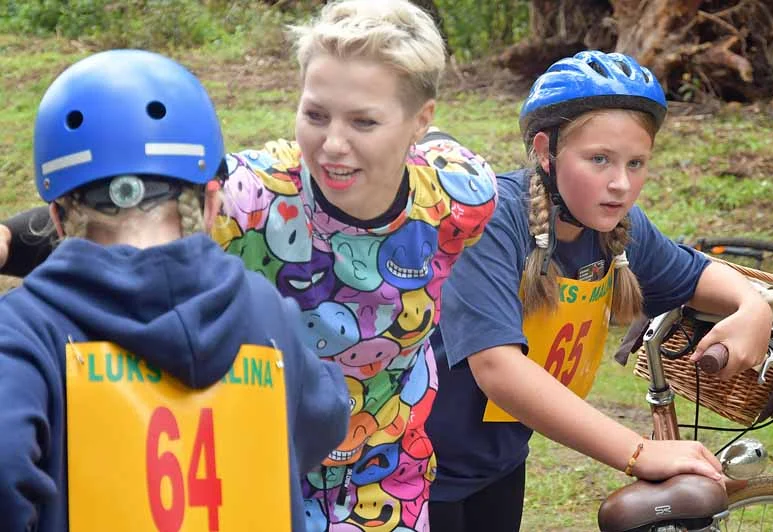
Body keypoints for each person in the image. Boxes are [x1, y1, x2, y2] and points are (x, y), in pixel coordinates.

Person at [0, 2, 498, 530]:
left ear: (420, 120)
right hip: (258, 467)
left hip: (389, 480)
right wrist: (8, 237)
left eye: (364, 121)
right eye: (316, 114)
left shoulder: (462, 194)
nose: (332, 144)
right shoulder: (253, 194)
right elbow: (124, 203)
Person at [0, 49, 349, 532]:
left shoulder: (23, 332)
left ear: (57, 217)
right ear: (210, 204)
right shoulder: (269, 315)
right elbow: (324, 422)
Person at [424, 50, 773, 532]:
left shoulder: (617, 229)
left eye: (636, 163)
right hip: (416, 471)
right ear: (546, 151)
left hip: (496, 464)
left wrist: (752, 305)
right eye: (599, 160)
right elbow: (498, 369)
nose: (620, 184)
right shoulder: (493, 219)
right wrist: (639, 452)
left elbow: (695, 277)